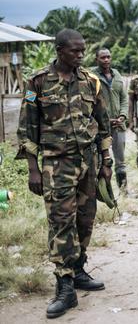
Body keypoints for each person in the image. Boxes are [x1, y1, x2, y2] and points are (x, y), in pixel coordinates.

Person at [17, 29, 112, 318]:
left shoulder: (91, 82)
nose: (81, 56)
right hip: (55, 165)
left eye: (83, 51)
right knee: (61, 222)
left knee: (86, 218)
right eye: (75, 51)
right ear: (59, 50)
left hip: (87, 162)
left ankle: (79, 268)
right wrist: (33, 169)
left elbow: (103, 123)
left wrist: (106, 161)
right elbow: (26, 128)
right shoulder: (36, 83)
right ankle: (65, 286)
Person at [92, 48, 130, 196]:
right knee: (103, 161)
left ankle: (124, 191)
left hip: (118, 125)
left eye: (108, 57)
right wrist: (106, 120)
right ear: (97, 59)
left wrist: (122, 116)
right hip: (101, 127)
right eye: (103, 57)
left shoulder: (117, 75)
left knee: (121, 160)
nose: (106, 60)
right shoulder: (91, 76)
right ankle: (107, 194)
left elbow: (124, 98)